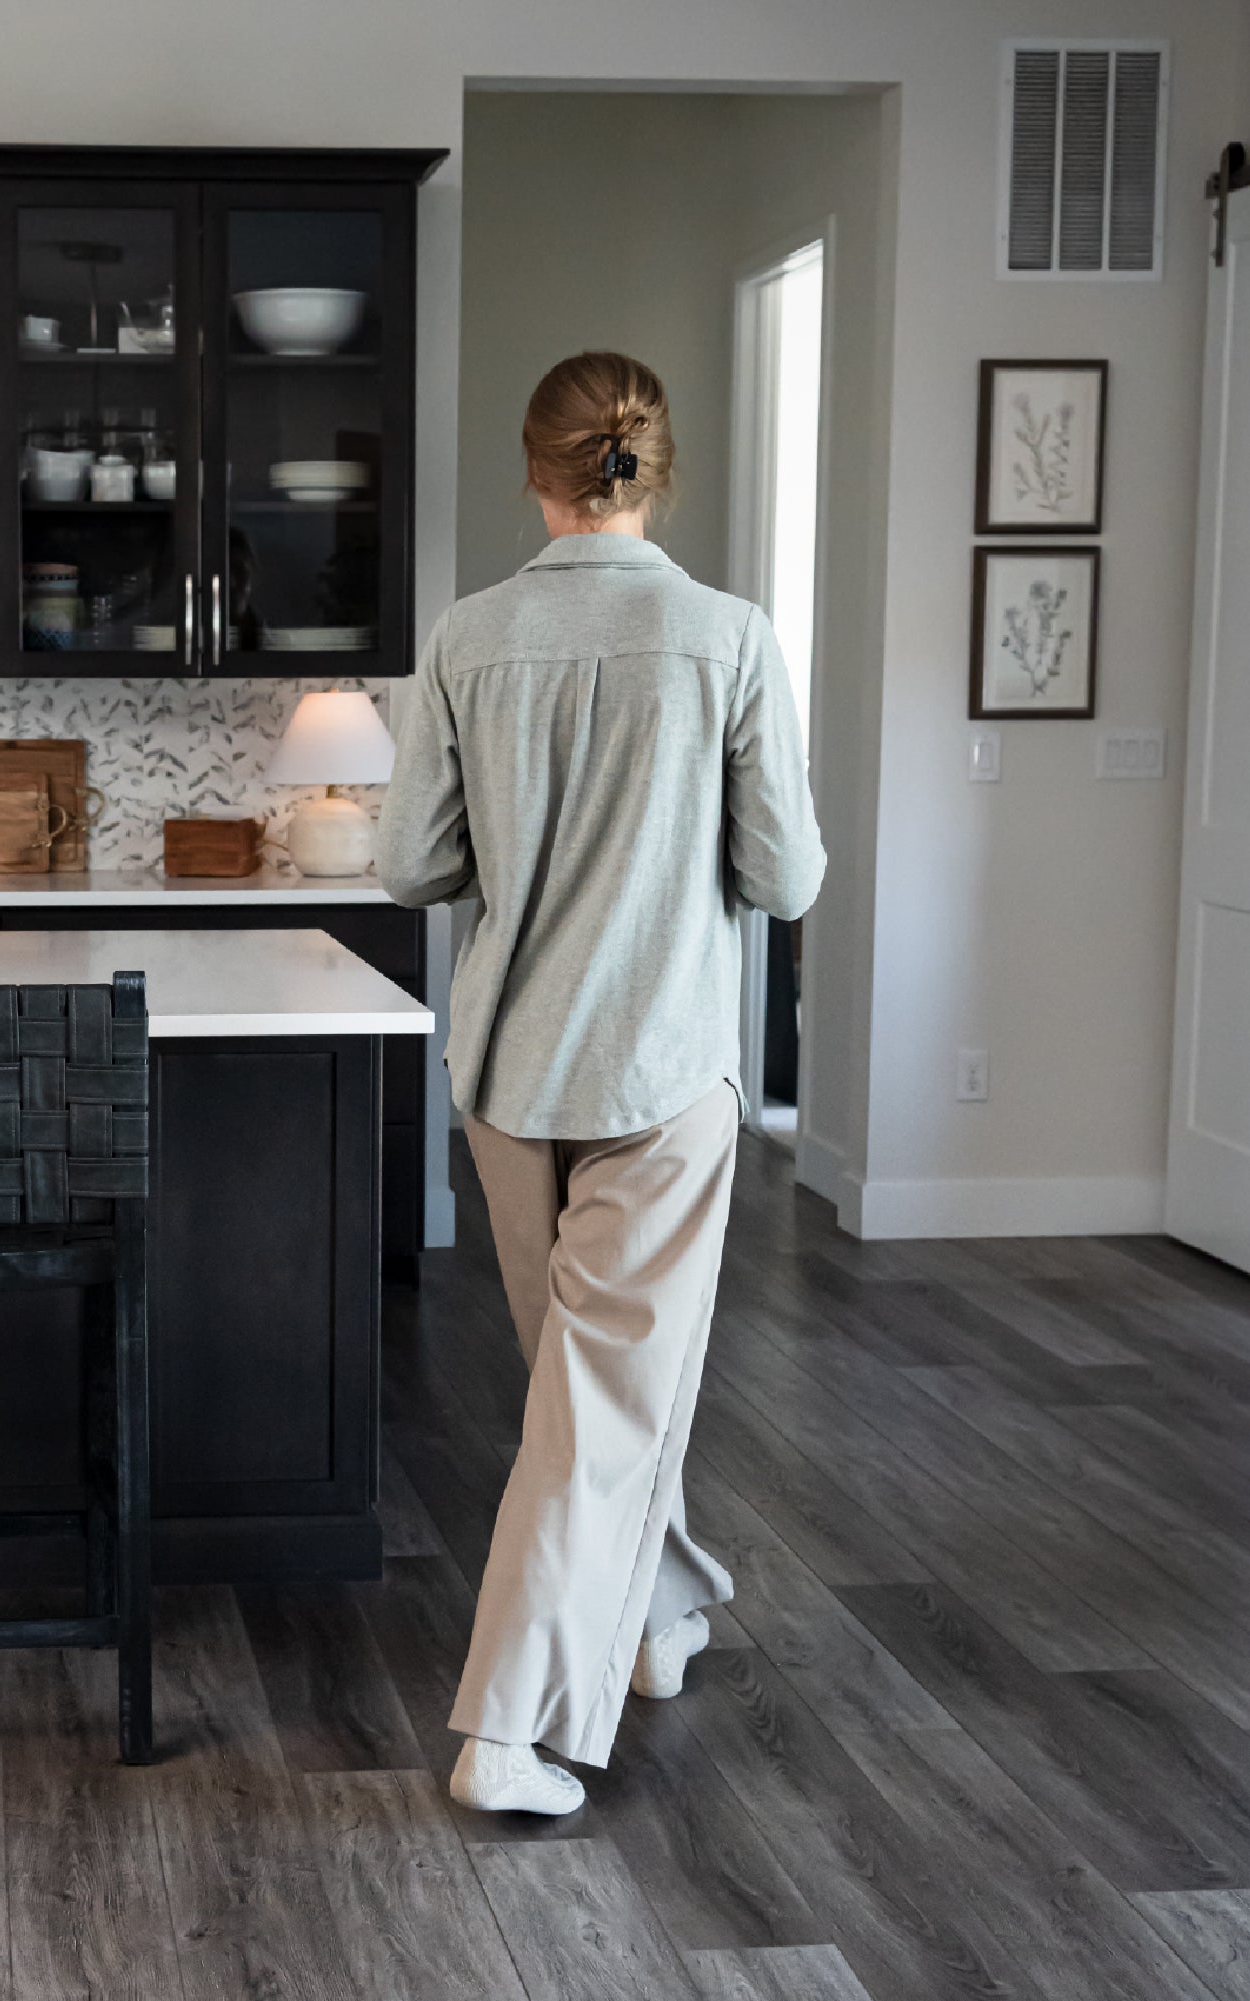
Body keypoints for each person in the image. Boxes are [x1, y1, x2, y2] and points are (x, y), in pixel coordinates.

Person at [375, 351, 825, 1816]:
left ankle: (655, 1612)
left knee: (588, 1393)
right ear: (655, 465)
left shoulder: (467, 635)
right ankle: (506, 1728)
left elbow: (409, 866)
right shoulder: (729, 636)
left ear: (534, 470)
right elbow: (787, 873)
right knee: (601, 1400)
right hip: (658, 1069)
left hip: (511, 1079)